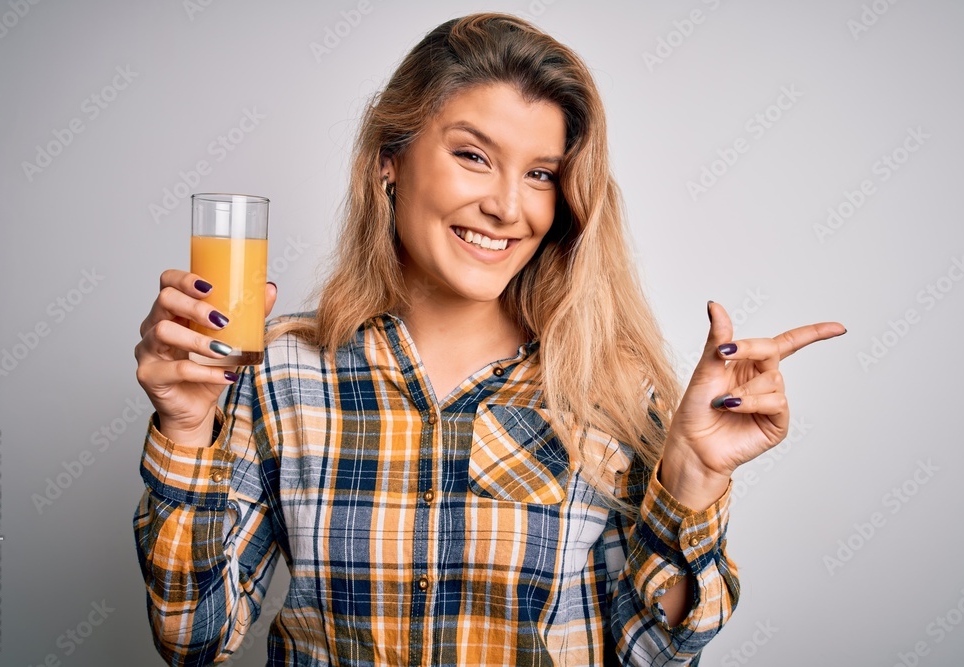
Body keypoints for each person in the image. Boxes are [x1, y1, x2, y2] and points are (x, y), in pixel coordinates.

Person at [133, 12, 845, 667]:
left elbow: (654, 653)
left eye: (540, 174)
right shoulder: (281, 370)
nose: (509, 206)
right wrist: (188, 426)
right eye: (474, 156)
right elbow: (193, 638)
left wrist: (694, 474)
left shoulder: (610, 386)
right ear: (391, 158)